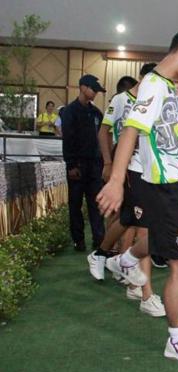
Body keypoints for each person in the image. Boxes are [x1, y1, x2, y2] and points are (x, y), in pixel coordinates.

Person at [97, 29, 178, 365]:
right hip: (161, 188)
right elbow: (130, 132)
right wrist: (117, 180)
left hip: (174, 186)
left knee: (159, 242)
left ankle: (124, 261)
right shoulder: (152, 84)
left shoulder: (167, 88)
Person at [88, 63, 165, 317]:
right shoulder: (122, 100)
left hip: (148, 169)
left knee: (129, 220)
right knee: (141, 226)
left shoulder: (156, 98)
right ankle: (144, 293)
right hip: (130, 167)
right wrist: (109, 163)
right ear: (144, 78)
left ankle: (103, 255)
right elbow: (104, 131)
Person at [61, 74, 106, 251]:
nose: (95, 93)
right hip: (77, 164)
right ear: (82, 87)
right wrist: (71, 164)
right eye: (93, 89)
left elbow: (102, 138)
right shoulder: (69, 112)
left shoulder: (96, 113)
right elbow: (68, 139)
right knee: (75, 204)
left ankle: (99, 240)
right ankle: (78, 240)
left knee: (96, 204)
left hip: (95, 165)